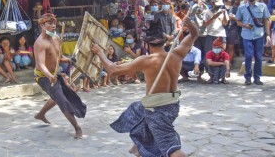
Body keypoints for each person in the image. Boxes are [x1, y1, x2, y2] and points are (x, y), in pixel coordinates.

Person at [92, 15, 198, 157]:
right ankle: (138, 148)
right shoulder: (177, 54)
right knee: (138, 111)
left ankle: (141, 148)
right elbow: (195, 34)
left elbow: (112, 70)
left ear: (146, 43)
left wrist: (99, 52)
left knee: (171, 149)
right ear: (164, 40)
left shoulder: (146, 60)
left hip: (158, 110)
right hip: (171, 105)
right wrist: (190, 25)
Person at [33, 13, 86, 139]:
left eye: (54, 23)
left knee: (58, 96)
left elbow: (58, 57)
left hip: (54, 74)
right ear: (42, 25)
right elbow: (40, 65)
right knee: (62, 100)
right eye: (49, 24)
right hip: (43, 76)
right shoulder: (39, 43)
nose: (53, 26)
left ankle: (40, 114)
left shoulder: (56, 37)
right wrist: (49, 76)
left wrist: (68, 60)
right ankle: (77, 128)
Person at [236, 0, 271, 85]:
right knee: (248, 56)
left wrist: (268, 35)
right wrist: (245, 25)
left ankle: (257, 78)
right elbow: (237, 21)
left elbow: (266, 20)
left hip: (259, 35)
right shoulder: (241, 7)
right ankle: (247, 78)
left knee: (259, 57)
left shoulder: (262, 6)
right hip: (246, 35)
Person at [225, 0, 241, 67]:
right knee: (224, 47)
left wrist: (235, 18)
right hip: (223, 29)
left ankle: (229, 62)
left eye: (229, 3)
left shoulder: (236, 9)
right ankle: (224, 63)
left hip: (233, 29)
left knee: (231, 47)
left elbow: (241, 20)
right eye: (226, 2)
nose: (227, 4)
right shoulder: (222, 8)